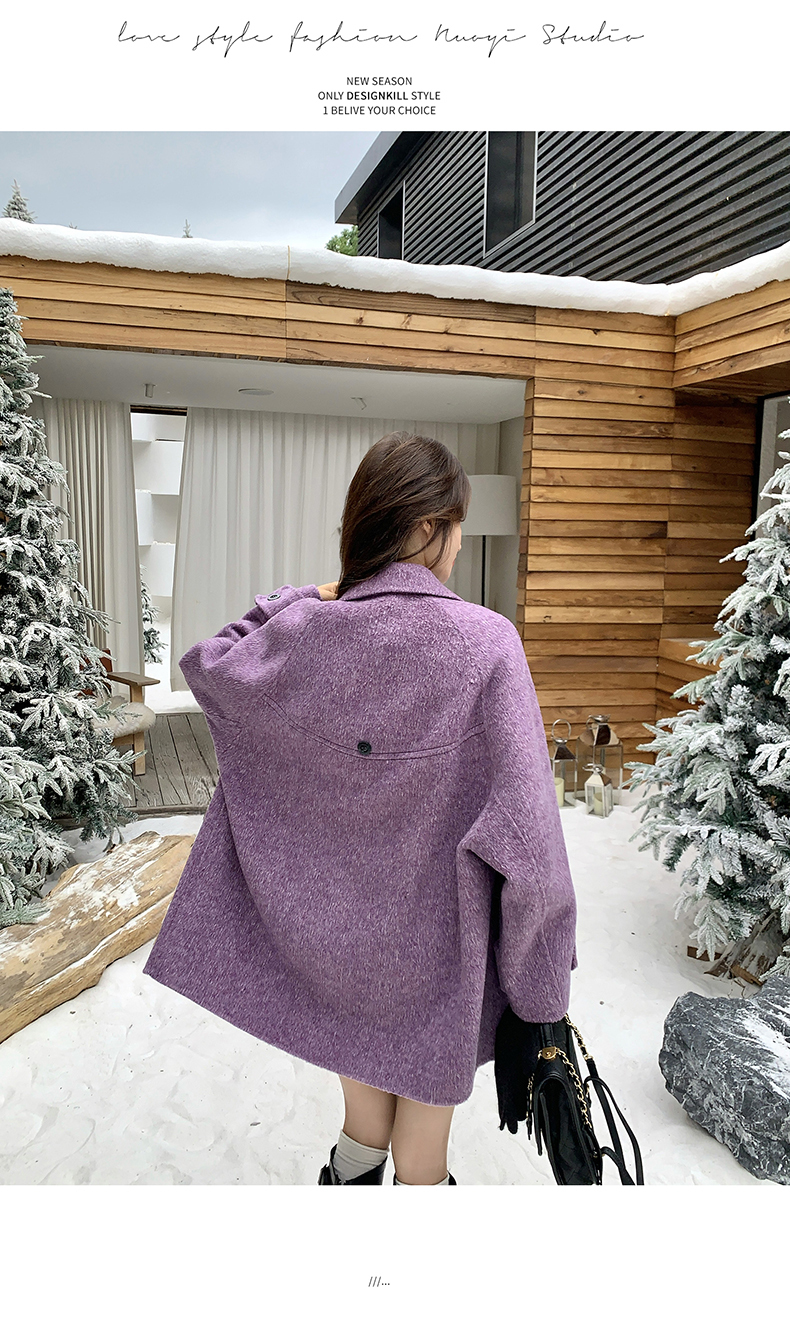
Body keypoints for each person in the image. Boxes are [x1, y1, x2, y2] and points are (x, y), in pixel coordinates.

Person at [143, 432, 577, 1186]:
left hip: (335, 950)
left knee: (363, 1130)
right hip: (439, 958)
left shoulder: (309, 633)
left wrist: (301, 599)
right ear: (426, 526)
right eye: (456, 523)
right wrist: (540, 996)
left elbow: (211, 663)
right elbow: (531, 848)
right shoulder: (487, 646)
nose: (459, 541)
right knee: (422, 1160)